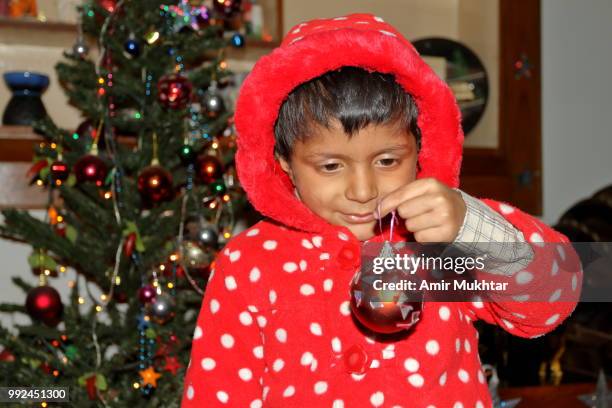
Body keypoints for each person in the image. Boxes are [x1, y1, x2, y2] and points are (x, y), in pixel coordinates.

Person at [182, 13, 581, 407]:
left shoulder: (443, 243)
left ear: (420, 148)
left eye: (387, 161)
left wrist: (471, 226)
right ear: (283, 160)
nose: (363, 190)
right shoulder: (248, 263)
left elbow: (553, 296)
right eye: (331, 166)